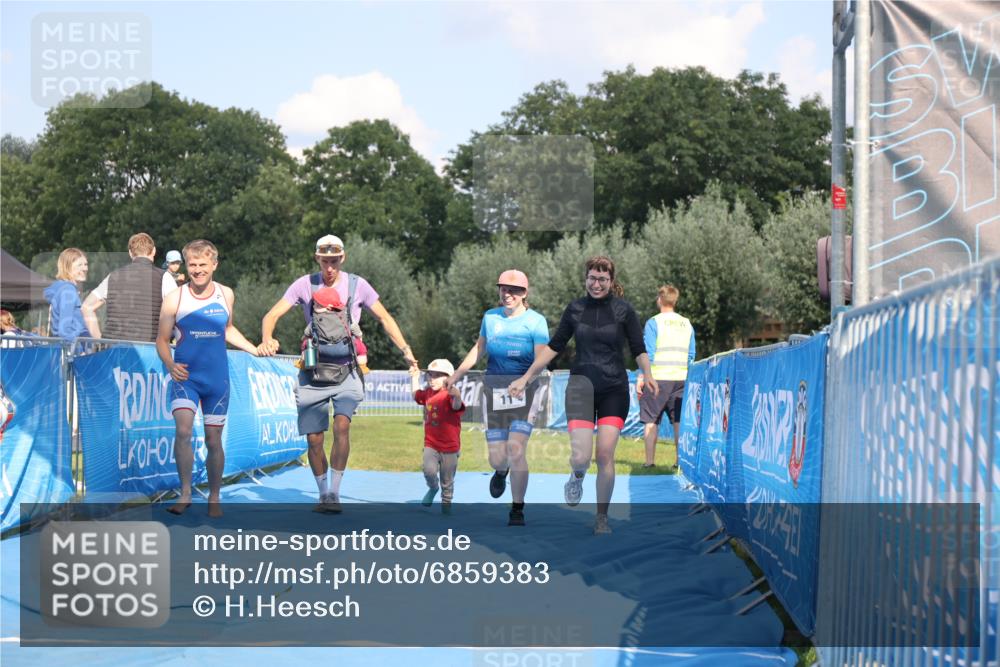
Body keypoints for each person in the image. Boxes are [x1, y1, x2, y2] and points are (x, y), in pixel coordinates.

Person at [260, 234, 418, 513]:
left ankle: (334, 492)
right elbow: (271, 316)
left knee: (342, 425)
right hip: (313, 372)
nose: (329, 267)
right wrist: (267, 338)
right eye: (324, 261)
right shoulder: (304, 284)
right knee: (314, 438)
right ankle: (322, 492)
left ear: (342, 259)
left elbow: (385, 318)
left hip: (348, 371)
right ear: (317, 259)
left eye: (334, 261)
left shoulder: (358, 285)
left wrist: (405, 349)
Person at [509, 256, 658, 535]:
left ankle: (601, 517)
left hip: (614, 389)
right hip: (580, 389)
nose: (596, 283)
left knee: (604, 455)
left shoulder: (624, 310)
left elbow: (638, 347)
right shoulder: (575, 309)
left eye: (602, 279)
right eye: (592, 277)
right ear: (585, 278)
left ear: (611, 282)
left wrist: (647, 374)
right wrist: (527, 376)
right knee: (581, 457)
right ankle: (577, 475)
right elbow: (554, 347)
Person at [155, 239, 266, 518]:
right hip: (186, 377)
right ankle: (185, 493)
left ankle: (214, 497)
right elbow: (160, 339)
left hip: (217, 380)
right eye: (192, 265)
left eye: (203, 264)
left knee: (213, 439)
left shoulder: (226, 294)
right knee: (182, 431)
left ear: (214, 265)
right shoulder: (174, 298)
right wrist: (170, 364)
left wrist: (254, 349)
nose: (197, 270)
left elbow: (228, 329)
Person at [447, 269, 549, 526]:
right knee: (496, 457)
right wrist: (457, 374)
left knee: (516, 449)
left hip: (526, 392)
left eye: (514, 290)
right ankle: (500, 470)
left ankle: (517, 508)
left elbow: (541, 359)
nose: (508, 294)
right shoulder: (490, 318)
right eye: (504, 288)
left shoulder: (536, 321)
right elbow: (479, 348)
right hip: (493, 391)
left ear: (524, 293)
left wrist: (523, 381)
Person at [638, 285, 696, 468]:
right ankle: (679, 461)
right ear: (675, 301)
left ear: (660, 300)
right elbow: (691, 355)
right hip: (681, 378)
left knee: (650, 420)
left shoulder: (653, 322)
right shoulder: (686, 323)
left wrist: (643, 376)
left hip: (657, 378)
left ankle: (649, 462)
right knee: (678, 421)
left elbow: (649, 353)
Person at [81, 232, 177, 342]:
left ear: (130, 253)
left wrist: (99, 341)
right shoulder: (165, 277)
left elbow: (87, 307)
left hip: (113, 351)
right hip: (148, 351)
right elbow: (177, 312)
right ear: (154, 251)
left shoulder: (113, 276)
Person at [410, 358, 465, 513]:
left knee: (447, 480)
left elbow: (456, 405)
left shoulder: (450, 394)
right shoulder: (427, 393)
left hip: (450, 447)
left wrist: (456, 395)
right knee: (429, 470)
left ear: (448, 378)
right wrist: (414, 377)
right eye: (430, 375)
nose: (431, 379)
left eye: (437, 375)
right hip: (431, 444)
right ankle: (433, 488)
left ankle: (446, 503)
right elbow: (416, 395)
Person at [44, 248, 90, 340]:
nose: (85, 268)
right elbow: (64, 331)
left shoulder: (64, 289)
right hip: (72, 351)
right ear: (67, 267)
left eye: (85, 264)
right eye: (80, 265)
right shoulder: (68, 291)